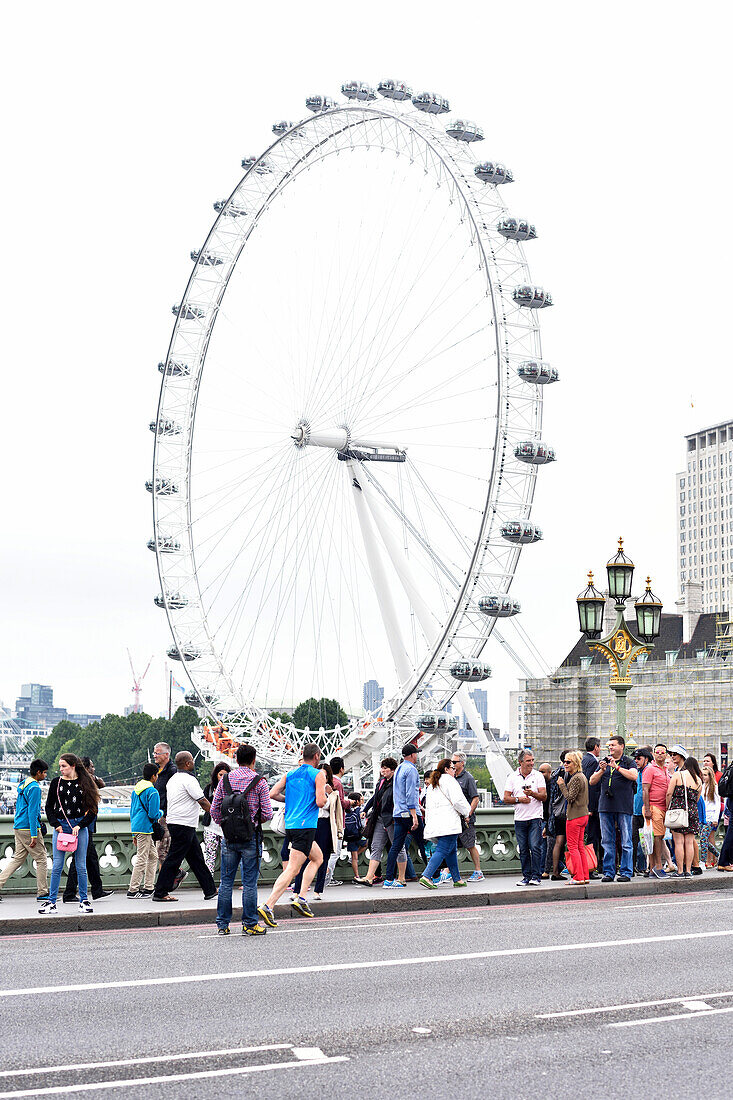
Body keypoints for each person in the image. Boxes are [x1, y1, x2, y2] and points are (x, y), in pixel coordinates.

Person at [257, 742, 328, 926]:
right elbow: (320, 802)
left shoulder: (290, 774)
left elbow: (273, 793)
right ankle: (268, 905)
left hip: (292, 825)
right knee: (293, 869)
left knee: (317, 858)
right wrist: (326, 794)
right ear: (317, 756)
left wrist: (291, 800)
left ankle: (301, 898)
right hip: (306, 825)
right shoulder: (318, 774)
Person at [210, 742, 272, 937]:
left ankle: (223, 924)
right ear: (253, 760)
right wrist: (252, 821)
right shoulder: (259, 781)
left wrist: (226, 825)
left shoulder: (225, 780)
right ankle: (250, 924)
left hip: (229, 838)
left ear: (236, 760)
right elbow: (268, 813)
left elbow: (214, 810)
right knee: (249, 883)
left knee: (226, 882)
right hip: (251, 838)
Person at [40, 754, 100, 915]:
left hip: (79, 827)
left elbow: (93, 810)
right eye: (60, 766)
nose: (60, 769)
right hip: (61, 827)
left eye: (64, 766)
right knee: (57, 866)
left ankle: (84, 900)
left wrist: (80, 826)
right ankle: (51, 902)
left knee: (81, 866)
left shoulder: (85, 783)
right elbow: (49, 807)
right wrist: (56, 825)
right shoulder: (56, 783)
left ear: (73, 766)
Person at [153, 752, 217, 902]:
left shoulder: (173, 779)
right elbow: (202, 801)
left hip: (176, 821)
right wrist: (218, 814)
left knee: (196, 858)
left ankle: (210, 889)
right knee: (173, 859)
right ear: (188, 764)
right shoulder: (189, 780)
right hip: (184, 823)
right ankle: (160, 891)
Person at [63, 757, 113, 903]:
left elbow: (101, 784)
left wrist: (91, 775)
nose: (94, 769)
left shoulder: (86, 779)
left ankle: (97, 890)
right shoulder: (81, 781)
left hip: (85, 824)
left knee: (90, 858)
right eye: (91, 766)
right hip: (83, 824)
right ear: (85, 767)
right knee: (80, 858)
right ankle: (70, 893)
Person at [355, 758, 411, 886]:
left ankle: (402, 877)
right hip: (380, 818)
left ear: (393, 770)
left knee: (398, 847)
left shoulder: (398, 783)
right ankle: (369, 877)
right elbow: (375, 797)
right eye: (382, 768)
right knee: (376, 846)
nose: (383, 770)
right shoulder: (381, 782)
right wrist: (365, 809)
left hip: (392, 819)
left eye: (386, 768)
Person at [590, 735, 638, 883]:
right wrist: (602, 770)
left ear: (622, 746)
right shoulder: (603, 762)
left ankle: (625, 871)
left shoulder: (628, 762)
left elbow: (634, 776)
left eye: (613, 745)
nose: (610, 748)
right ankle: (609, 872)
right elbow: (591, 781)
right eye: (609, 745)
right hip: (605, 806)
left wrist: (616, 767)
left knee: (626, 841)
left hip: (623, 806)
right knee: (607, 841)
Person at [0, 759, 49, 902]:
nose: (45, 776)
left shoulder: (24, 784)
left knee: (17, 859)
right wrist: (34, 835)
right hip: (28, 828)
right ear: (38, 772)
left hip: (18, 826)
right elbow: (33, 812)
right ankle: (43, 893)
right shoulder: (35, 788)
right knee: (41, 859)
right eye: (44, 773)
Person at [293, 762, 343, 899]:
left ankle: (318, 890)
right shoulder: (309, 789)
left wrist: (328, 794)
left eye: (325, 775)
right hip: (310, 823)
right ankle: (297, 890)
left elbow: (332, 810)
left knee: (324, 858)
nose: (322, 777)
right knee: (303, 857)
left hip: (325, 825)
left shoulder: (334, 793)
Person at [419, 759, 472, 888]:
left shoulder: (433, 784)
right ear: (447, 769)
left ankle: (457, 879)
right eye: (453, 768)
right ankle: (426, 876)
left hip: (436, 822)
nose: (455, 771)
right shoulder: (450, 781)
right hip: (449, 823)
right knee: (442, 850)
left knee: (451, 850)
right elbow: (458, 801)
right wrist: (467, 813)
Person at [503, 749, 547, 886]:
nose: (531, 763)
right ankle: (526, 876)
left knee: (535, 847)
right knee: (523, 849)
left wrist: (532, 794)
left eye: (532, 760)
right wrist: (519, 799)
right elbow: (506, 798)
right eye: (528, 761)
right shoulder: (512, 777)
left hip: (535, 817)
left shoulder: (538, 776)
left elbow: (544, 796)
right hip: (520, 819)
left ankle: (536, 876)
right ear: (520, 762)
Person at [383, 743, 421, 889]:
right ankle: (433, 876)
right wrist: (414, 815)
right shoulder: (411, 770)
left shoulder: (399, 768)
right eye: (416, 753)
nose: (417, 756)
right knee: (425, 844)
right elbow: (411, 794)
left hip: (398, 812)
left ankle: (389, 879)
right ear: (411, 755)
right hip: (409, 813)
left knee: (396, 846)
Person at [128, 763, 163, 898]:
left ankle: (149, 887)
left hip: (137, 827)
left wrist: (133, 833)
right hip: (146, 828)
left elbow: (132, 812)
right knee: (142, 858)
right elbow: (153, 814)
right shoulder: (152, 791)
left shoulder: (135, 790)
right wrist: (161, 812)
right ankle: (133, 889)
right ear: (154, 776)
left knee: (153, 857)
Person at [666, 755, 702, 877]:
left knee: (679, 842)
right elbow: (696, 799)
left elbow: (669, 793)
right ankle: (688, 870)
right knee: (689, 842)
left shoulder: (678, 775)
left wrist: (668, 808)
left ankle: (680, 871)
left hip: (677, 810)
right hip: (692, 811)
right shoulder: (699, 780)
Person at [557, 751, 589, 884]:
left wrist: (562, 785)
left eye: (568, 762)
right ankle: (584, 876)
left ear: (575, 763)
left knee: (572, 847)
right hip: (583, 815)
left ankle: (578, 877)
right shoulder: (582, 776)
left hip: (575, 816)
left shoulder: (576, 778)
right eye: (564, 761)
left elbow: (570, 797)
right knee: (580, 846)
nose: (565, 764)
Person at [451, 752, 483, 882]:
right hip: (454, 819)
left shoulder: (468, 778)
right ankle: (449, 871)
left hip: (466, 819)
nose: (452, 764)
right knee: (451, 845)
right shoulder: (451, 777)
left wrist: (468, 814)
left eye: (455, 762)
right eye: (451, 762)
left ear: (462, 763)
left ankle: (478, 871)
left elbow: (475, 798)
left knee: (470, 845)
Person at [642, 743, 671, 880]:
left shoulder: (665, 770)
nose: (660, 754)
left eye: (662, 752)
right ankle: (658, 866)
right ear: (653, 754)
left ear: (666, 755)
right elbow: (645, 790)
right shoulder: (650, 769)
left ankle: (653, 868)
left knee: (656, 838)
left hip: (663, 808)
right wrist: (647, 809)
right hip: (654, 807)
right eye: (657, 752)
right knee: (658, 837)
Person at [323, 756, 352, 887]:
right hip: (337, 822)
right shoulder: (338, 783)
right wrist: (350, 802)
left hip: (325, 821)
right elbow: (340, 803)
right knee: (336, 851)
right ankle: (328, 877)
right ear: (341, 769)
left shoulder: (327, 780)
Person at [202, 761, 231, 874]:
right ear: (216, 775)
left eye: (225, 775)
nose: (222, 777)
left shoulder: (231, 789)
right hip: (211, 826)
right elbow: (204, 804)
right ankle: (209, 882)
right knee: (210, 854)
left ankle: (226, 882)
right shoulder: (209, 788)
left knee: (227, 856)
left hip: (225, 827)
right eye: (220, 775)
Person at [153, 742, 177, 868]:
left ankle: (168, 880)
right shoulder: (158, 771)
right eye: (154, 753)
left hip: (167, 817)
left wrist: (167, 813)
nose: (155, 756)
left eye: (157, 753)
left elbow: (174, 794)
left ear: (166, 754)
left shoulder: (172, 771)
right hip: (159, 816)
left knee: (162, 852)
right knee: (160, 852)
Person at [545, 751, 569, 880]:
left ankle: (555, 871)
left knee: (557, 843)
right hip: (566, 812)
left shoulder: (554, 773)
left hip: (555, 812)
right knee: (569, 843)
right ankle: (571, 870)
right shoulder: (566, 773)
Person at [581, 737, 603, 876]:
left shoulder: (584, 760)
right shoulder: (591, 761)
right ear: (596, 747)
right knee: (593, 837)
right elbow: (591, 785)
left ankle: (595, 866)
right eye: (599, 747)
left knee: (593, 837)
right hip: (592, 807)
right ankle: (592, 867)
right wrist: (591, 808)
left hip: (588, 806)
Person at [631, 747, 653, 875]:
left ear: (646, 759)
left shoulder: (648, 770)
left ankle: (644, 867)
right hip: (635, 811)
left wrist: (648, 809)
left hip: (646, 811)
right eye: (635, 759)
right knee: (634, 841)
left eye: (639, 758)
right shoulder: (638, 772)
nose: (636, 761)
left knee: (645, 842)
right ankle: (635, 867)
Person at [700, 764, 721, 867]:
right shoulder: (701, 787)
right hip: (702, 817)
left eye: (705, 775)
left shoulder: (715, 788)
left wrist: (715, 818)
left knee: (703, 838)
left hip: (710, 816)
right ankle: (718, 855)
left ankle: (703, 862)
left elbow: (717, 804)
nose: (704, 777)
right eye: (702, 775)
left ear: (710, 776)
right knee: (704, 840)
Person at [343, 792, 367, 879]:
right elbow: (362, 823)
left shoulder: (346, 810)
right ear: (357, 801)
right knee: (365, 844)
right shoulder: (360, 810)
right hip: (358, 835)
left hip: (349, 836)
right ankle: (357, 876)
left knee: (354, 858)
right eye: (361, 800)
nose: (362, 801)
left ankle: (356, 876)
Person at [538, 761, 552, 878]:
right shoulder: (540, 785)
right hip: (541, 817)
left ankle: (543, 870)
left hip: (548, 819)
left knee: (544, 846)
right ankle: (560, 865)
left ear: (549, 772)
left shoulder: (552, 785)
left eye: (543, 772)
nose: (540, 774)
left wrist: (547, 824)